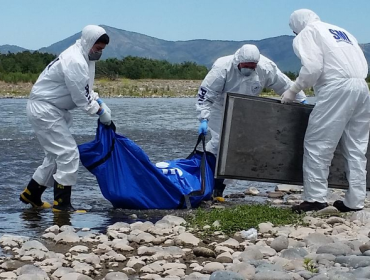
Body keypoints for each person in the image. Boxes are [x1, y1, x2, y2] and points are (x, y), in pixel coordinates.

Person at [281, 9, 370, 213]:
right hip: (362, 88)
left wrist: (293, 90)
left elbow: (312, 67)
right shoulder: (342, 32)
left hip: (336, 88)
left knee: (318, 143)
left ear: (297, 25)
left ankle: (315, 199)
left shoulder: (307, 33)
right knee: (356, 148)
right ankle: (355, 201)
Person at [19, 25, 112, 212]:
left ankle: (32, 194)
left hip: (52, 109)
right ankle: (62, 205)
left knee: (55, 156)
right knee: (68, 153)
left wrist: (97, 99)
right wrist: (100, 111)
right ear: (88, 42)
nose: (99, 52)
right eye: (98, 48)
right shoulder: (75, 61)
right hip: (45, 110)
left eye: (102, 49)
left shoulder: (84, 56)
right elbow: (81, 98)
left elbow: (85, 88)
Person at [196, 44, 307, 198]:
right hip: (219, 107)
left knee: (237, 147)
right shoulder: (222, 68)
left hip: (246, 108)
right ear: (238, 62)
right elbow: (205, 95)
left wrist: (302, 101)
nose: (248, 69)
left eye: (252, 66)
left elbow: (285, 85)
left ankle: (218, 188)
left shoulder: (266, 68)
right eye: (245, 66)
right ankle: (208, 183)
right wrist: (203, 118)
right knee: (222, 143)